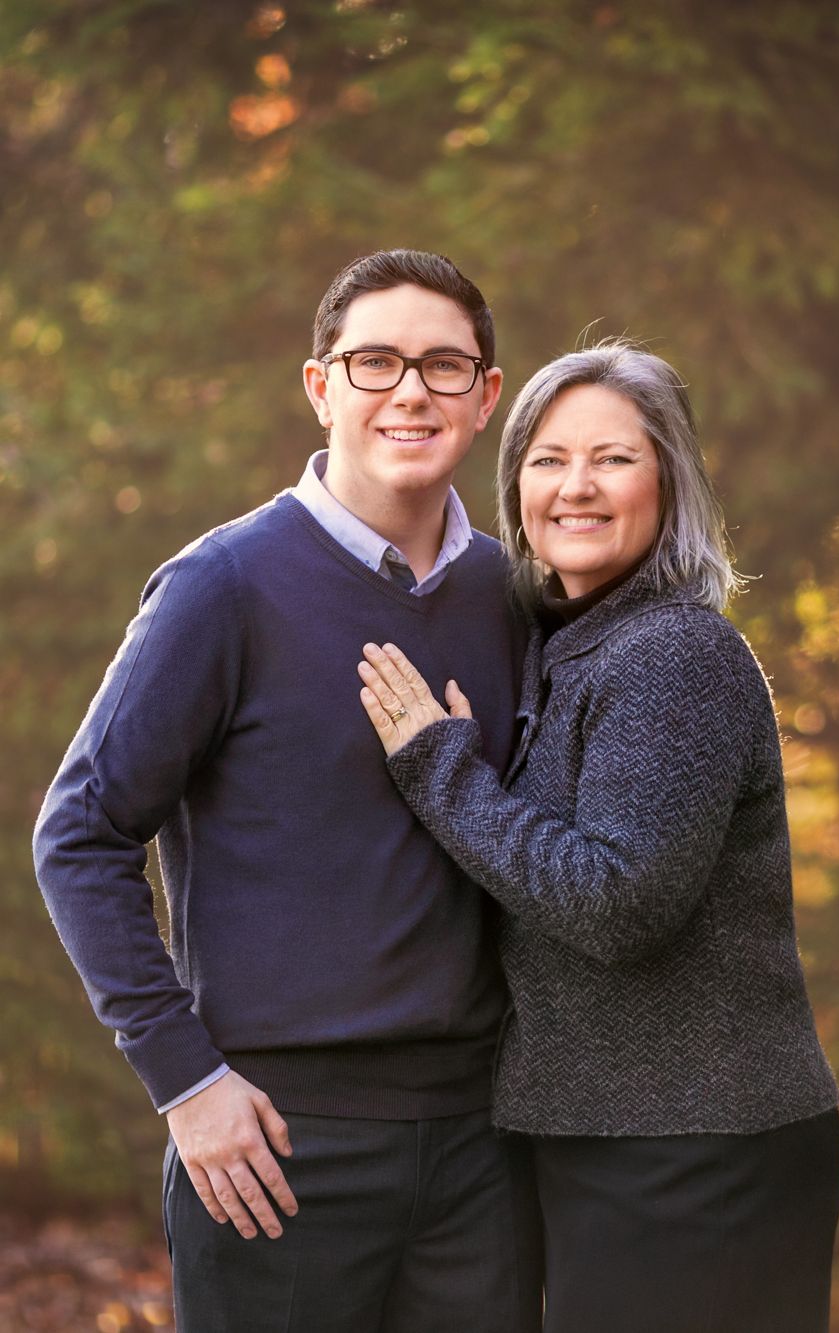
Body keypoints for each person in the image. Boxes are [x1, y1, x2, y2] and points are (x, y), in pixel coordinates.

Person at [33, 249, 542, 1333]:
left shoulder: (513, 594)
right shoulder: (223, 588)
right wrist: (186, 1080)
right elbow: (77, 835)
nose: (410, 389)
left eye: (444, 365)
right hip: (275, 1142)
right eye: (374, 362)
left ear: (485, 396)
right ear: (321, 386)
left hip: (481, 1143)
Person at [357, 341, 839, 1333]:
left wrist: (441, 768)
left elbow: (618, 900)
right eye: (547, 458)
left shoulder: (674, 652)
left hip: (699, 1150)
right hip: (617, 1134)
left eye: (613, 459)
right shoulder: (565, 641)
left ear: (670, 481)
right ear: (515, 483)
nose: (575, 486)